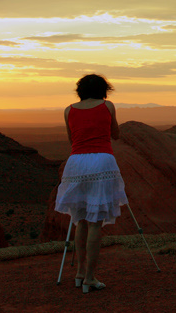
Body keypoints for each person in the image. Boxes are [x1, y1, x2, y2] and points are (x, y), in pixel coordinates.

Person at [54, 74, 128, 294]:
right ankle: (90, 278)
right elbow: (116, 134)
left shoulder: (68, 110)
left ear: (80, 90)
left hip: (76, 163)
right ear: (104, 89)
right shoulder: (108, 107)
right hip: (102, 162)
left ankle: (79, 273)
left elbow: (72, 139)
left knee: (80, 220)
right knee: (95, 222)